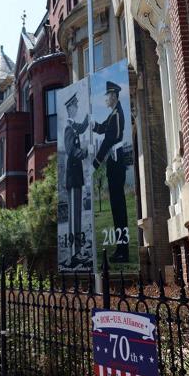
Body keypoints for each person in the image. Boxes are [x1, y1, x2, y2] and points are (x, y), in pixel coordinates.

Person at [92, 81, 129, 263]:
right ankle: (121, 249)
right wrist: (90, 123)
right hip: (114, 162)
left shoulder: (116, 115)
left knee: (118, 206)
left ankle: (123, 251)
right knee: (116, 206)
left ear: (114, 96)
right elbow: (101, 128)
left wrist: (95, 163)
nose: (106, 98)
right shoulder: (113, 114)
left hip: (116, 160)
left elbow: (107, 141)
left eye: (108, 96)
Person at [63, 93, 89, 267]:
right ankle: (74, 253)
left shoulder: (74, 127)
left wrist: (89, 116)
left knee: (77, 215)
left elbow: (82, 127)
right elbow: (71, 150)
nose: (77, 109)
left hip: (77, 177)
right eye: (76, 106)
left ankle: (77, 251)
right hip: (73, 177)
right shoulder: (68, 129)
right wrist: (85, 152)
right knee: (74, 216)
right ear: (70, 108)